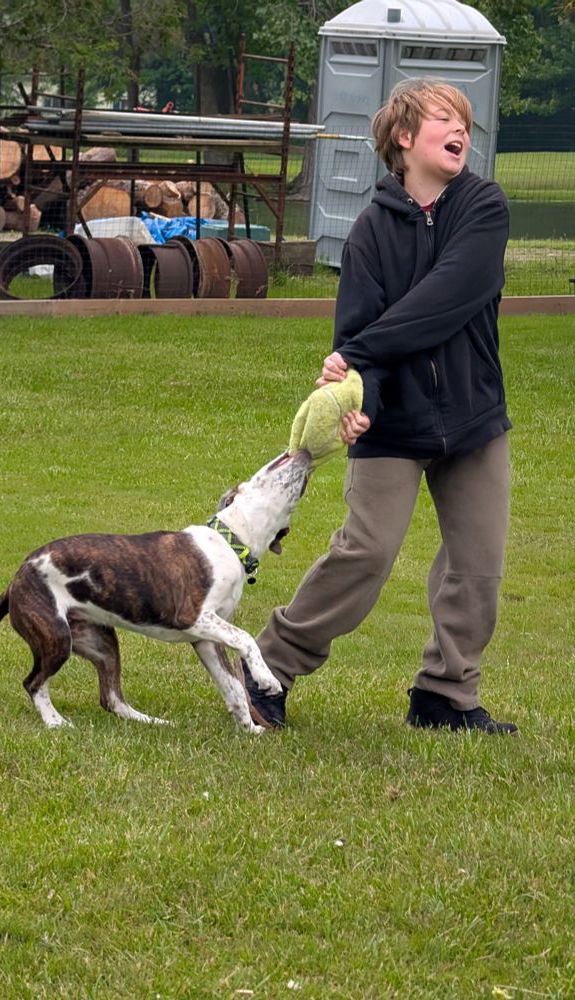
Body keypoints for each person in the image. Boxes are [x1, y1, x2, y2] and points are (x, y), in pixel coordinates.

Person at [243, 78, 517, 734]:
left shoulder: (482, 206)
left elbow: (450, 296)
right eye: (445, 118)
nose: (461, 130)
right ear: (404, 136)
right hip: (393, 424)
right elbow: (359, 324)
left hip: (474, 419)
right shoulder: (369, 230)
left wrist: (354, 355)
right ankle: (266, 670)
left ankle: (445, 697)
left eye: (464, 121)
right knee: (364, 553)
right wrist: (360, 398)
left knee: (477, 566)